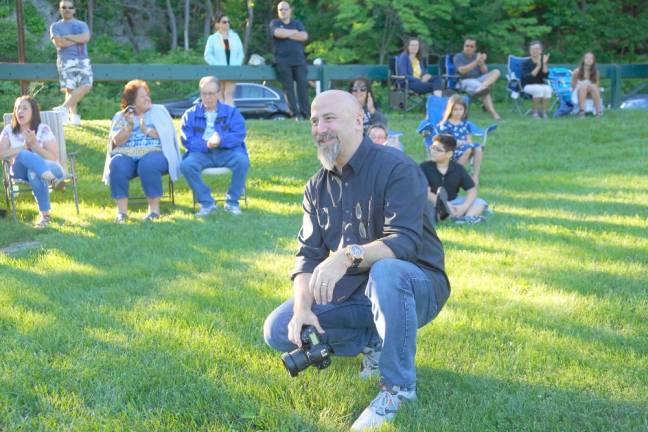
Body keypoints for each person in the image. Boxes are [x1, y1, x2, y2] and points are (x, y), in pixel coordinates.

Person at [263, 90, 450, 431]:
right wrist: (303, 306)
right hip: (359, 297)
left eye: (329, 118)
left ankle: (398, 389)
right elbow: (306, 256)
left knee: (386, 271)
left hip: (416, 285)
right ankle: (374, 341)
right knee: (279, 330)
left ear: (359, 121)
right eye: (314, 121)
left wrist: (347, 256)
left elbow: (405, 242)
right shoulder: (315, 187)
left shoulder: (397, 168)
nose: (320, 128)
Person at [102, 80, 182, 223]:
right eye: (142, 97)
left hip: (155, 154)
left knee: (148, 163)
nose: (147, 98)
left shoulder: (158, 111)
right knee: (117, 163)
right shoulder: (121, 116)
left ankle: (154, 211)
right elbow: (115, 141)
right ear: (132, 101)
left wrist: (147, 130)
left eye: (147, 95)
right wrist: (129, 126)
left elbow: (168, 135)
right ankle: (122, 213)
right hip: (127, 155)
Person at [180, 76, 249, 217]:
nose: (207, 97)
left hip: (226, 151)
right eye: (204, 94)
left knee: (242, 160)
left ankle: (232, 202)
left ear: (218, 93)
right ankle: (207, 202)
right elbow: (187, 140)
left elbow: (239, 134)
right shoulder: (190, 114)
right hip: (202, 153)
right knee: (186, 165)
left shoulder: (231, 112)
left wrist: (221, 140)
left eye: (211, 94)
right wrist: (206, 144)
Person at [0, 96, 66, 228]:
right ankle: (52, 180)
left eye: (24, 108)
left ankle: (45, 217)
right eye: (18, 108)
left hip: (49, 167)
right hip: (19, 171)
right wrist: (23, 147)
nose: (20, 111)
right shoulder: (8, 130)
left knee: (34, 172)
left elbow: (53, 157)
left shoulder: (43, 129)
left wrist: (35, 146)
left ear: (33, 111)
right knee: (24, 154)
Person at [420, 134, 488, 224]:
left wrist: (464, 206)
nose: (433, 151)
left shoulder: (457, 169)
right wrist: (444, 204)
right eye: (432, 148)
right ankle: (453, 216)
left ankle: (467, 218)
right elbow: (426, 193)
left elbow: (472, 190)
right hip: (434, 202)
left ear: (449, 154)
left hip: (454, 202)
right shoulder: (424, 167)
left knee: (480, 202)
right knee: (425, 209)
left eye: (438, 150)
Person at [49, 0, 92, 126]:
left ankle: (63, 108)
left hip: (82, 59)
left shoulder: (82, 24)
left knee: (87, 85)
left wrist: (67, 37)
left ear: (74, 10)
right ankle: (73, 118)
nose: (67, 9)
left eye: (70, 7)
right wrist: (77, 39)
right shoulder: (55, 26)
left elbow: (86, 38)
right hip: (65, 60)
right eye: (64, 7)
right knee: (70, 89)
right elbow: (59, 43)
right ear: (60, 10)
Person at [269, 1, 310, 120]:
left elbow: (304, 36)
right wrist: (294, 33)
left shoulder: (297, 23)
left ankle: (306, 114)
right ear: (278, 12)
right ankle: (295, 115)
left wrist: (287, 33)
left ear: (290, 10)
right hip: (282, 61)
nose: (283, 11)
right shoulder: (275, 23)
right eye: (280, 10)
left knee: (303, 86)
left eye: (285, 9)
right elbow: (278, 33)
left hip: (299, 61)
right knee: (288, 88)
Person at [437, 95, 483, 185]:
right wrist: (461, 143)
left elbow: (469, 139)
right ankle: (455, 175)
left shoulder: (465, 123)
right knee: (468, 149)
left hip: (465, 147)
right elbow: (447, 142)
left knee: (478, 148)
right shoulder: (445, 124)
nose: (458, 112)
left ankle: (475, 175)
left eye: (460, 109)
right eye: (455, 109)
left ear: (464, 110)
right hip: (452, 150)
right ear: (450, 110)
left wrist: (467, 143)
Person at [453, 37, 501, 120]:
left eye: (471, 46)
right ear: (463, 46)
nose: (469, 48)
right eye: (467, 46)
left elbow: (485, 72)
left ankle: (481, 88)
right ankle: (494, 114)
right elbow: (462, 71)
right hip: (463, 80)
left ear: (475, 48)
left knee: (496, 72)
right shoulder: (458, 56)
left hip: (478, 79)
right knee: (484, 89)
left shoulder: (476, 56)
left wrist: (481, 62)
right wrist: (476, 62)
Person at [204, 13, 245, 106]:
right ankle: (221, 117)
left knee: (228, 93)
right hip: (218, 70)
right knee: (220, 94)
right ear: (217, 24)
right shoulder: (212, 38)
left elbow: (240, 54)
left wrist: (237, 66)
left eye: (228, 22)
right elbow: (207, 55)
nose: (227, 24)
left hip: (233, 69)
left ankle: (230, 117)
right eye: (224, 22)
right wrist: (217, 65)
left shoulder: (235, 36)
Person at [521, 41, 552, 119]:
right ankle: (535, 112)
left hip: (540, 85)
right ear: (530, 51)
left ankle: (543, 112)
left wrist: (544, 64)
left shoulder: (542, 62)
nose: (535, 51)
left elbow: (545, 76)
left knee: (548, 89)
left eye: (537, 49)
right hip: (527, 86)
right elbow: (528, 78)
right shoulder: (525, 63)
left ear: (541, 51)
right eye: (533, 49)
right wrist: (538, 66)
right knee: (538, 89)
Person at [571, 52, 602, 117]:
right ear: (583, 60)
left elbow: (597, 86)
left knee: (592, 86)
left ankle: (598, 112)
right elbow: (573, 86)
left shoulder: (596, 72)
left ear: (593, 61)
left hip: (592, 92)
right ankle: (582, 111)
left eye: (591, 58)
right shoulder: (577, 71)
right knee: (584, 85)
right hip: (578, 92)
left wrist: (589, 86)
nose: (589, 60)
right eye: (587, 58)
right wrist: (584, 84)